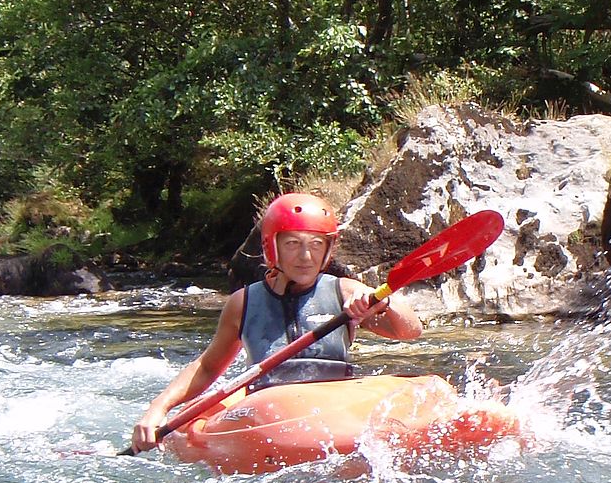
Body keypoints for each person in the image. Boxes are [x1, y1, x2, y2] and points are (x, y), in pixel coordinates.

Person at [129, 193, 422, 453]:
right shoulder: (242, 303)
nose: (306, 256)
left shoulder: (344, 290)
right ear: (273, 247)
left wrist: (384, 303)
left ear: (328, 249)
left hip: (334, 405)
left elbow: (411, 331)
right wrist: (158, 409)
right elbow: (207, 367)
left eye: (316, 244)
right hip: (266, 410)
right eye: (293, 244)